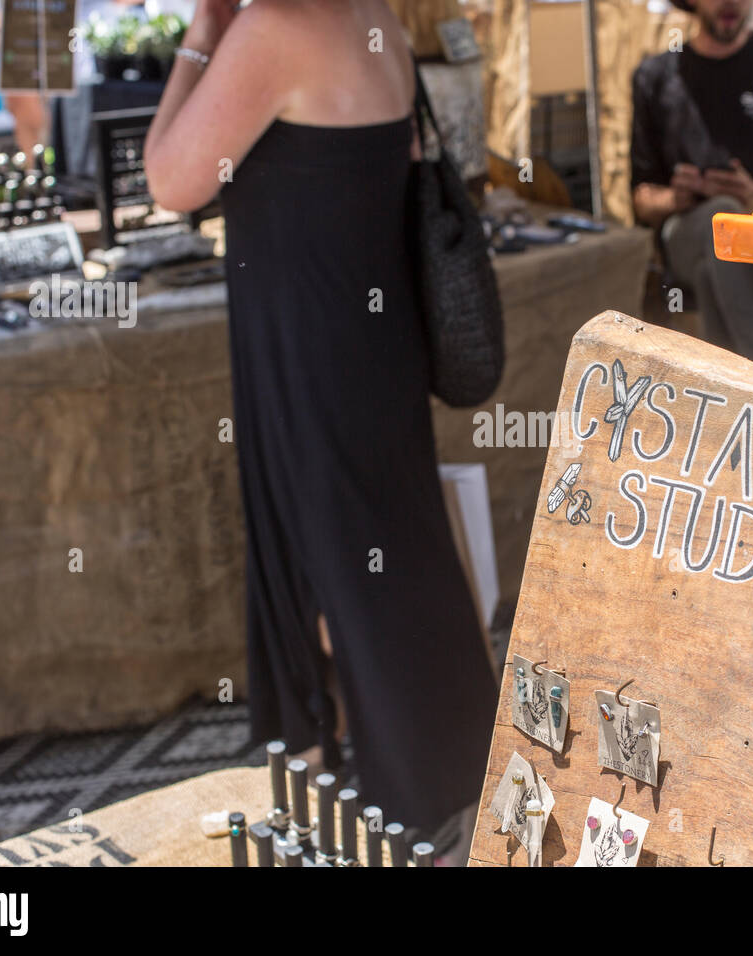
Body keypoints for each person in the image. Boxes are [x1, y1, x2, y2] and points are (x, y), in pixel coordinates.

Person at [143, 0, 496, 853]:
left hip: (311, 343)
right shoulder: (368, 18)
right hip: (367, 340)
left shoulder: (274, 29)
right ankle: (427, 782)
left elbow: (169, 181)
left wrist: (202, 35)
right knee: (378, 555)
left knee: (341, 561)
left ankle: (400, 797)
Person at [630, 0, 753, 366]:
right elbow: (641, 199)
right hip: (690, 229)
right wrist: (679, 196)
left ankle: (741, 383)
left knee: (712, 270)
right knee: (723, 217)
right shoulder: (655, 76)